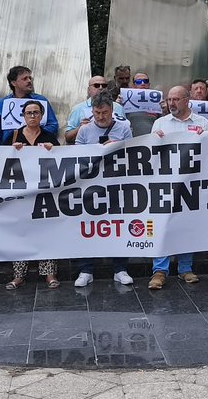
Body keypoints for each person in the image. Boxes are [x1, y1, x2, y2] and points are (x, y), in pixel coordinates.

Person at [148, 86, 208, 289]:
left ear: (187, 100)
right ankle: (159, 271)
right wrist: (154, 139)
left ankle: (185, 268)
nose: (171, 103)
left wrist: (205, 137)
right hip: (165, 183)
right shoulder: (160, 123)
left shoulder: (202, 122)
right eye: (169, 99)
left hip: (191, 183)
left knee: (186, 225)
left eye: (175, 99)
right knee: (163, 226)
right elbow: (151, 154)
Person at [72, 94, 135, 287]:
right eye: (97, 113)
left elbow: (133, 153)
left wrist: (116, 147)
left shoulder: (124, 128)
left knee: (119, 225)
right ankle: (86, 269)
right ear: (92, 111)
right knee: (88, 226)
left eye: (105, 113)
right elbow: (75, 156)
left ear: (112, 111)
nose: (100, 117)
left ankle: (120, 269)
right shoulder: (83, 130)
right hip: (90, 186)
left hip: (117, 184)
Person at [4, 100, 60, 290]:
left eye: (36, 112)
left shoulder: (49, 136)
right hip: (20, 192)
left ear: (42, 115)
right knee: (21, 232)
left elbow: (62, 161)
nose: (33, 116)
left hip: (44, 191)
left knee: (47, 231)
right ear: (23, 116)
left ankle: (49, 274)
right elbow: (0, 160)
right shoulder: (14, 135)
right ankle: (19, 275)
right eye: (29, 113)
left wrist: (53, 151)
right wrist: (13, 150)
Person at [0, 66, 59, 145]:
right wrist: (0, 153)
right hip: (11, 150)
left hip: (39, 148)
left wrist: (35, 134)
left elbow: (53, 125)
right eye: (25, 79)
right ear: (14, 83)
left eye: (30, 78)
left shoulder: (41, 100)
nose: (29, 81)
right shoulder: (2, 103)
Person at [65, 75, 125, 144]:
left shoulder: (118, 107)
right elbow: (68, 138)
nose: (100, 88)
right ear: (88, 90)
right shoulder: (78, 109)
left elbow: (125, 130)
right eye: (96, 85)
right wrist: (80, 129)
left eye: (104, 85)